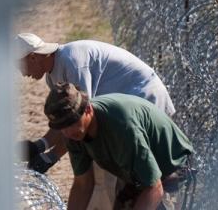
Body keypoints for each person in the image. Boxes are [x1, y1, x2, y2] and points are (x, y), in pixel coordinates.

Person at [18, 33, 175, 175]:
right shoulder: (52, 76)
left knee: (138, 173)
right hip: (125, 106)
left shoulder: (71, 62)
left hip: (144, 97)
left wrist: (52, 156)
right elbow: (65, 120)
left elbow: (81, 119)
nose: (23, 74)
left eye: (20, 67)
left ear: (33, 57)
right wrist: (39, 146)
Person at [45, 83, 195, 210]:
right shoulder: (73, 135)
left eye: (72, 123)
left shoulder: (121, 127)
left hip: (171, 171)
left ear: (88, 110)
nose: (69, 132)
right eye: (62, 127)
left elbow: (154, 187)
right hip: (138, 177)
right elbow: (83, 184)